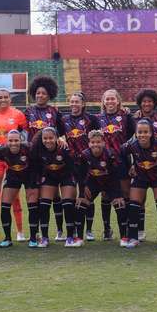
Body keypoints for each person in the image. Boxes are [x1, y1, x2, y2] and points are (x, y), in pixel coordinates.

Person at [0, 89, 28, 241]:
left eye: (5, 97)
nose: (3, 100)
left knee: (14, 196)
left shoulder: (18, 114)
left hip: (13, 159)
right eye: (0, 97)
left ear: (10, 99)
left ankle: (20, 231)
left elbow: (26, 134)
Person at [25, 75, 66, 242]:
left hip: (51, 158)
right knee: (37, 196)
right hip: (34, 158)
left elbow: (62, 132)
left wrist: (61, 139)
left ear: (49, 95)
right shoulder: (28, 112)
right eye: (38, 93)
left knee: (54, 195)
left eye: (44, 93)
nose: (40, 95)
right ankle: (37, 231)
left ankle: (60, 230)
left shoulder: (55, 112)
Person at [122, 119, 157, 249]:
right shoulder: (131, 145)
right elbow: (119, 154)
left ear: (151, 133)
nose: (142, 135)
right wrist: (129, 166)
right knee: (133, 206)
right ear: (136, 133)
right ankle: (133, 238)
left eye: (145, 132)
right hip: (140, 177)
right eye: (139, 132)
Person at [60, 92, 100, 241]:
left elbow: (98, 136)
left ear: (83, 104)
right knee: (70, 197)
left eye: (77, 102)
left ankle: (88, 230)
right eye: (72, 101)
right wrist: (59, 138)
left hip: (87, 163)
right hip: (70, 163)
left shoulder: (91, 119)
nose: (74, 104)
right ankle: (73, 229)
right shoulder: (64, 119)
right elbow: (55, 132)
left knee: (87, 195)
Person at [98, 88, 136, 241]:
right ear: (103, 102)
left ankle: (126, 227)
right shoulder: (97, 118)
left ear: (118, 101)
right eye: (107, 99)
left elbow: (135, 137)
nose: (110, 101)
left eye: (112, 98)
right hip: (104, 162)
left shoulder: (126, 117)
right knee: (105, 194)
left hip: (122, 161)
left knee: (125, 193)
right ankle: (107, 228)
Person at [76, 130, 125, 248]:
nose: (95, 144)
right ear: (89, 143)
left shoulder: (110, 154)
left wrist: (118, 194)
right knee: (81, 204)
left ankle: (124, 238)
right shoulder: (84, 155)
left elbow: (115, 175)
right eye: (93, 142)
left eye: (98, 142)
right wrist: (82, 190)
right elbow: (80, 174)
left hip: (109, 183)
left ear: (103, 143)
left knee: (120, 204)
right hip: (93, 183)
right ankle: (79, 238)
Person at [30, 127, 77, 248]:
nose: (48, 141)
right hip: (50, 177)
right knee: (44, 204)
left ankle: (70, 236)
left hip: (66, 176)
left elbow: (72, 168)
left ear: (56, 138)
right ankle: (45, 238)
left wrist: (73, 184)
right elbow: (36, 166)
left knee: (67, 203)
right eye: (45, 138)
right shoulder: (38, 148)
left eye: (51, 138)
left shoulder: (64, 148)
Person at [0, 130, 36, 247]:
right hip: (13, 176)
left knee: (32, 206)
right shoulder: (3, 149)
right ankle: (7, 238)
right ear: (7, 141)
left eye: (16, 140)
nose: (13, 143)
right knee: (5, 206)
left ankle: (33, 238)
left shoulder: (29, 148)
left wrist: (60, 140)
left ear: (21, 140)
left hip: (30, 176)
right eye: (10, 140)